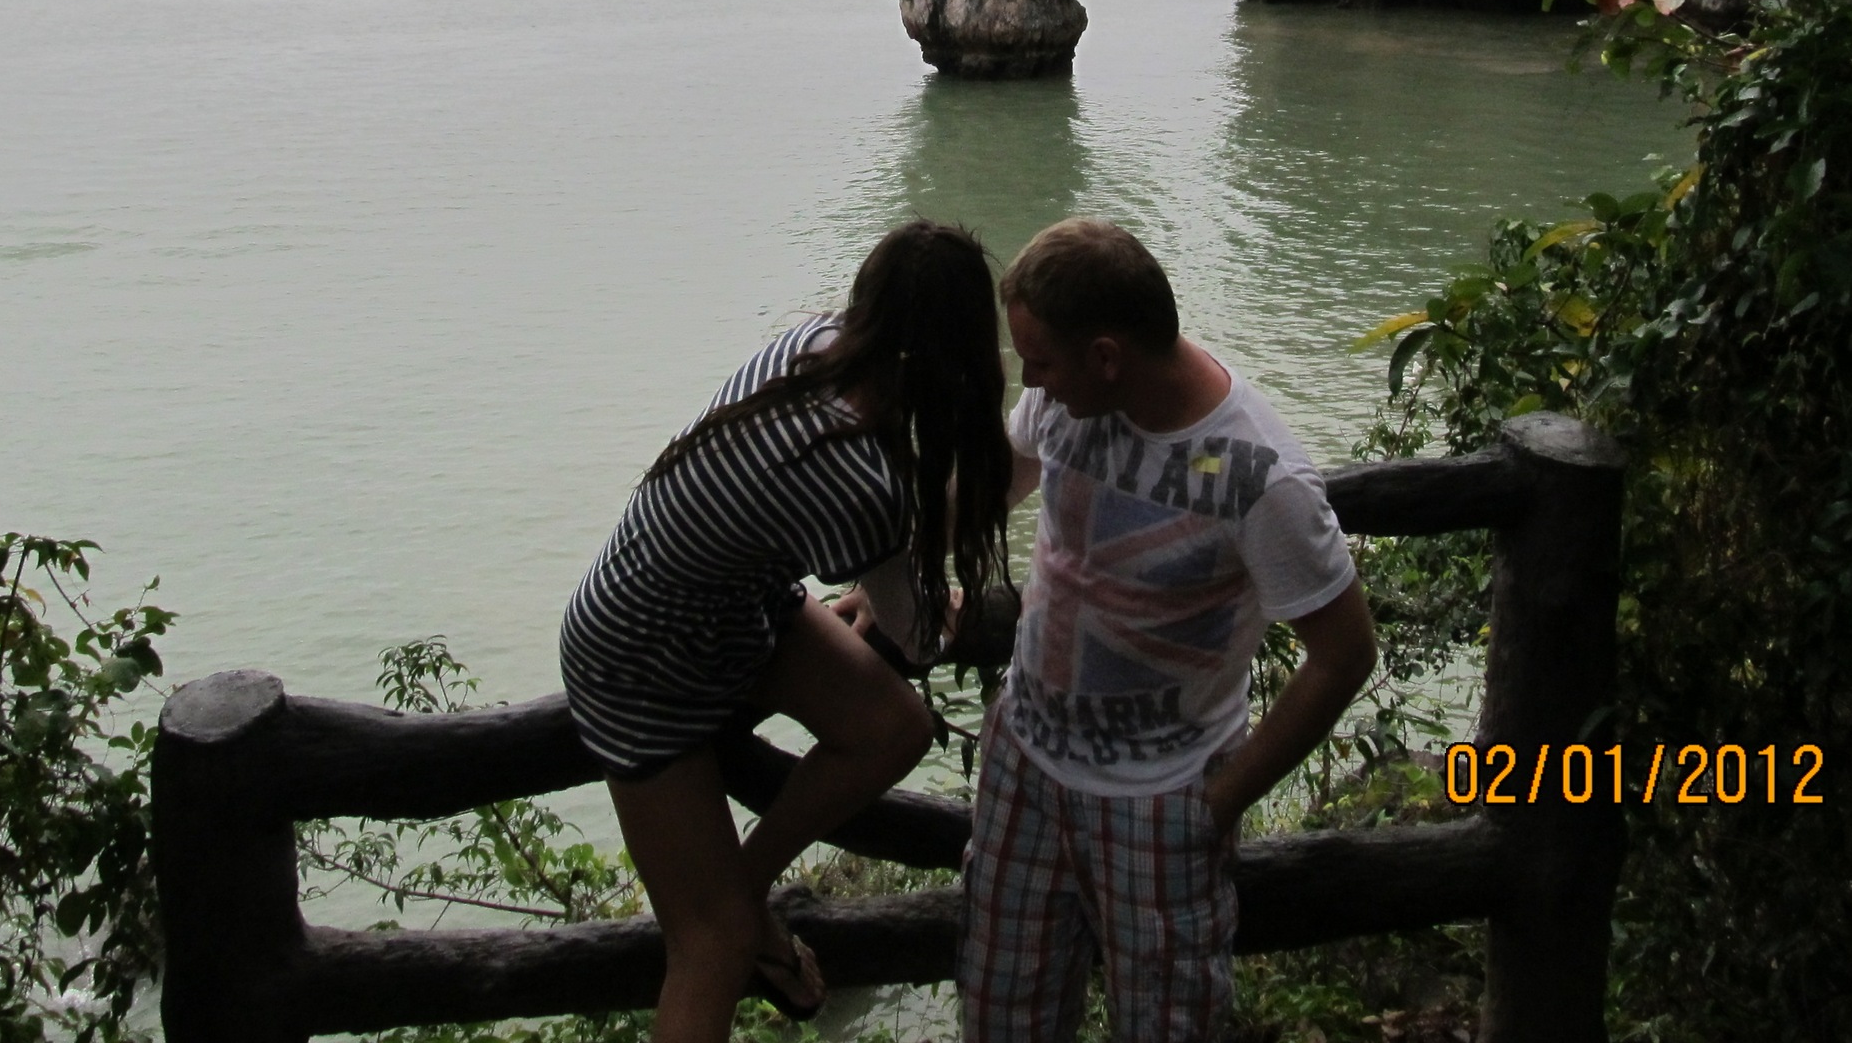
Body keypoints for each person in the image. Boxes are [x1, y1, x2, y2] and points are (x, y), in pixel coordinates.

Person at [559, 219, 1013, 1043]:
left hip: (726, 608)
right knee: (716, 946)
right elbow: (918, 638)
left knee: (894, 728)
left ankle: (744, 878)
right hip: (637, 657)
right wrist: (909, 587)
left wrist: (888, 573)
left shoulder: (814, 343)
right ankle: (735, 912)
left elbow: (859, 544)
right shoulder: (862, 481)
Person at [957, 218, 1377, 1043]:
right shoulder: (1064, 401)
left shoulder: (1260, 477)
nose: (1029, 380)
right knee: (1001, 1012)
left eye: (1040, 362)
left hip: (1161, 796)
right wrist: (886, 581)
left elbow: (1344, 654)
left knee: (1166, 1025)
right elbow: (996, 484)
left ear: (1106, 357)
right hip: (1025, 765)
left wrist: (1217, 803)